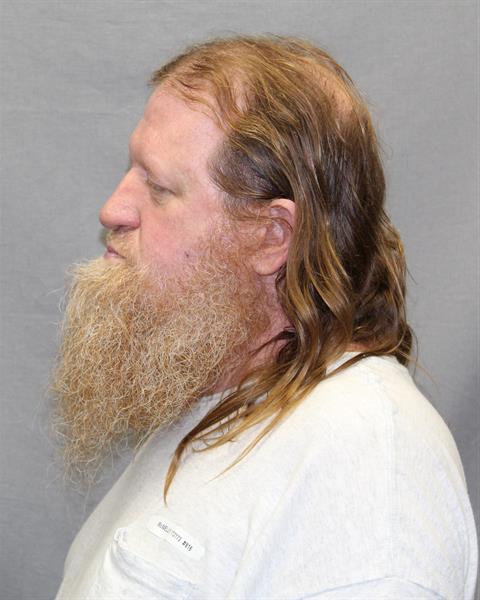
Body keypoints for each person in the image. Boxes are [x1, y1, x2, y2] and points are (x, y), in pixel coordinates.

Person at [52, 35, 478, 599]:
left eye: (159, 187)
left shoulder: (368, 464)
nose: (112, 209)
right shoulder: (224, 404)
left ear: (271, 237)